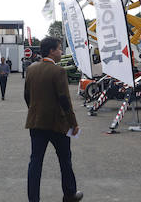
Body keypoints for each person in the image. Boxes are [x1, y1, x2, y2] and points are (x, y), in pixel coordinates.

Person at [25, 37, 82, 202]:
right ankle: (70, 194)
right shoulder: (59, 71)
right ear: (51, 51)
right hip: (57, 123)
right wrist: (73, 123)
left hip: (36, 122)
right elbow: (64, 99)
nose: (61, 52)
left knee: (35, 162)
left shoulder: (31, 69)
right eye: (59, 49)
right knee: (65, 160)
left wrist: (35, 111)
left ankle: (33, 199)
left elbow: (27, 96)